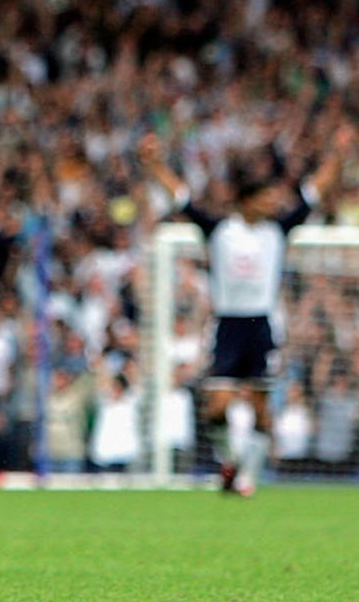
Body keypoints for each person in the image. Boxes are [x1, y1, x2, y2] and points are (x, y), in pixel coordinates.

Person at [138, 127, 353, 495]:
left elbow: (314, 192)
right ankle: (230, 463)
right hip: (227, 324)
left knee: (260, 408)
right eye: (265, 197)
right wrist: (155, 164)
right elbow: (181, 198)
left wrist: (337, 155)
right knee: (217, 407)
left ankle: (245, 476)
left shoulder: (278, 230)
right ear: (246, 201)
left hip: (262, 324)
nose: (272, 203)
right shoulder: (220, 230)